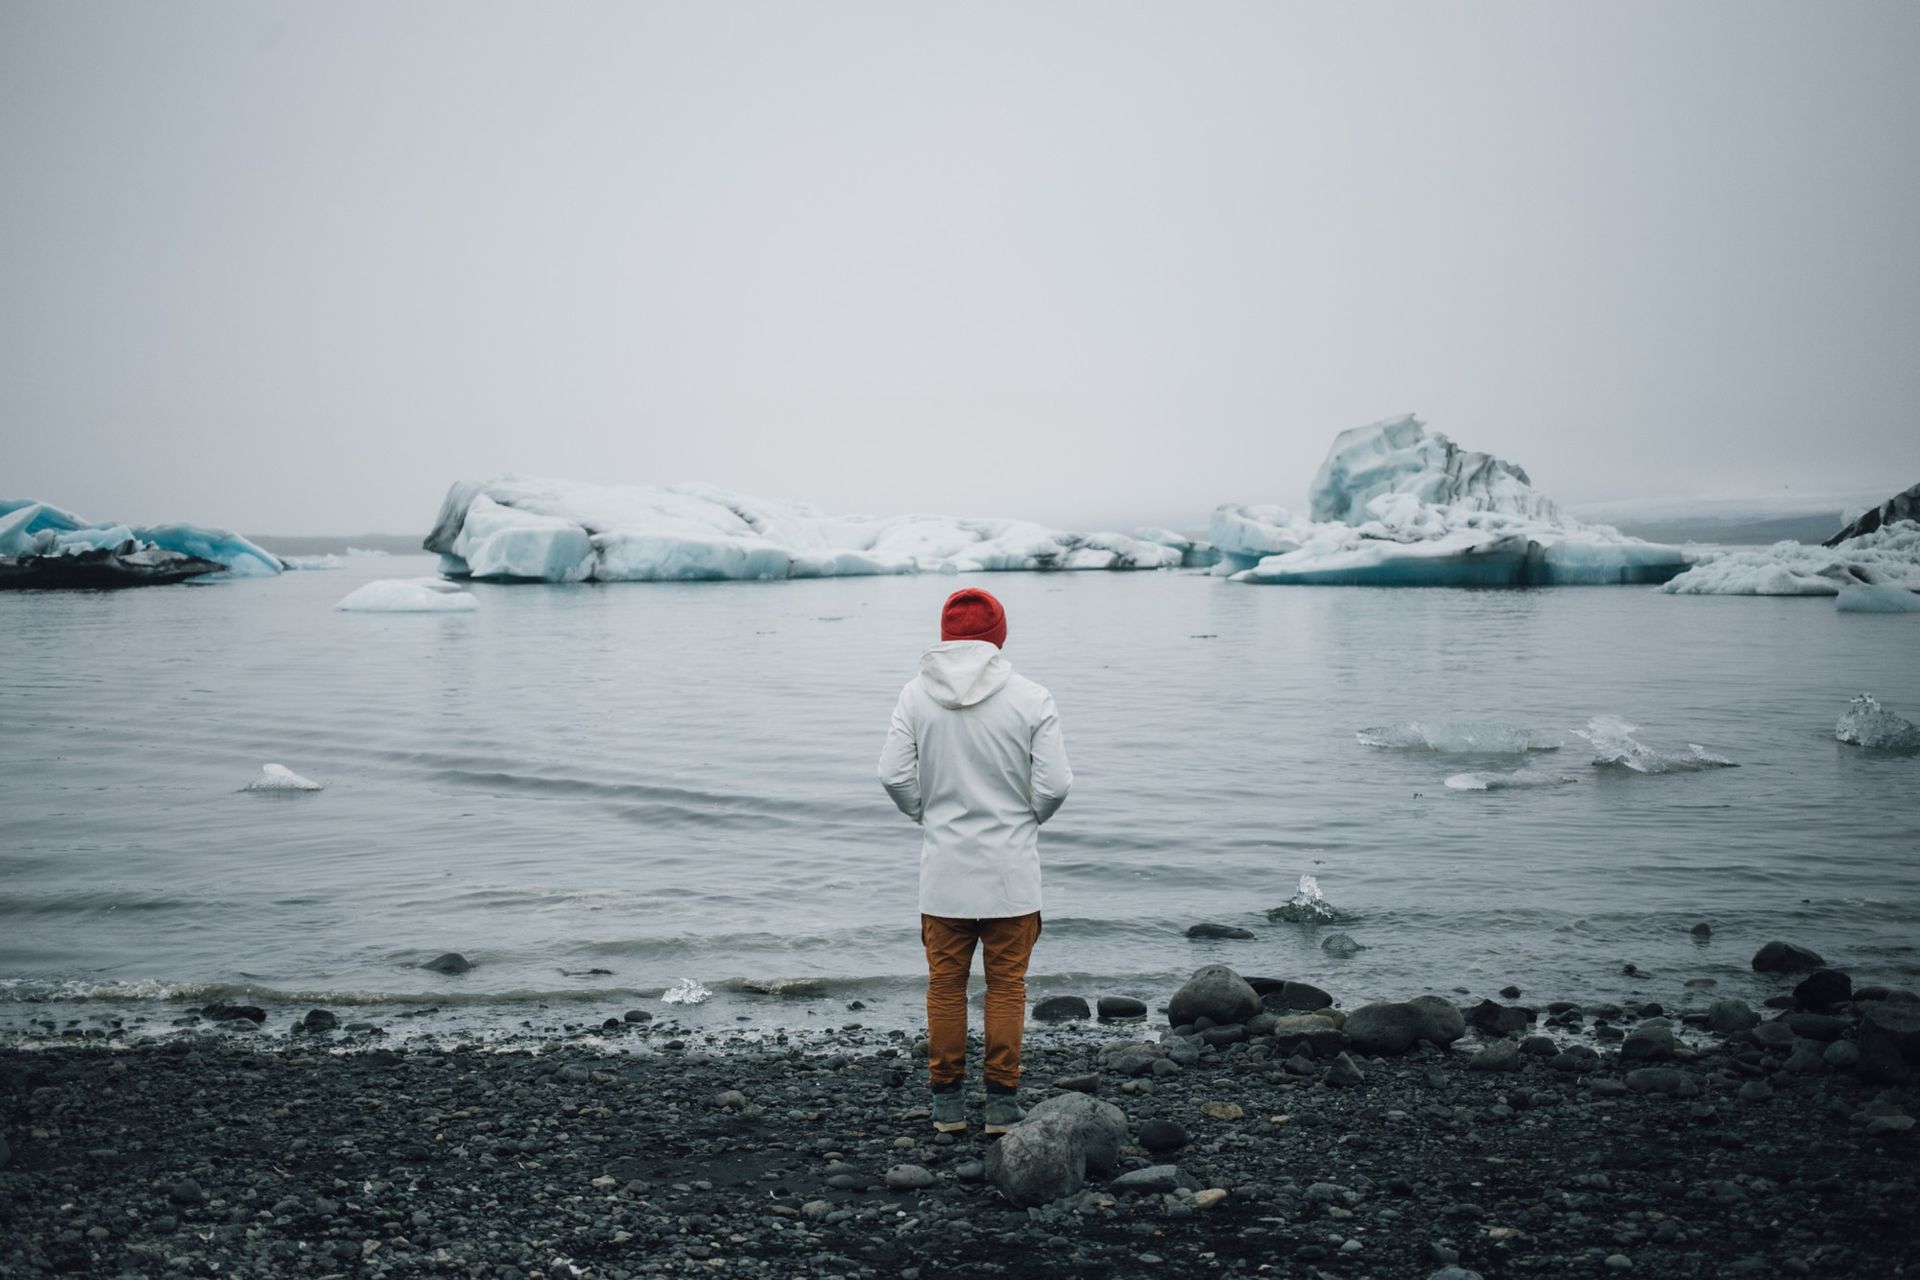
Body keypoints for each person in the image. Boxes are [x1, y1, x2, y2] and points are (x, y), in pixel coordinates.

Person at [877, 587, 1073, 1134]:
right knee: (1006, 987)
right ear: (998, 635)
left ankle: (946, 1106)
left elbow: (892, 774)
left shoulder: (915, 697)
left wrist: (926, 815)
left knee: (946, 985)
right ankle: (1002, 1104)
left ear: (945, 634)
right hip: (1010, 873)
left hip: (944, 874)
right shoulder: (1032, 697)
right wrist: (1026, 817)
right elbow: (1056, 784)